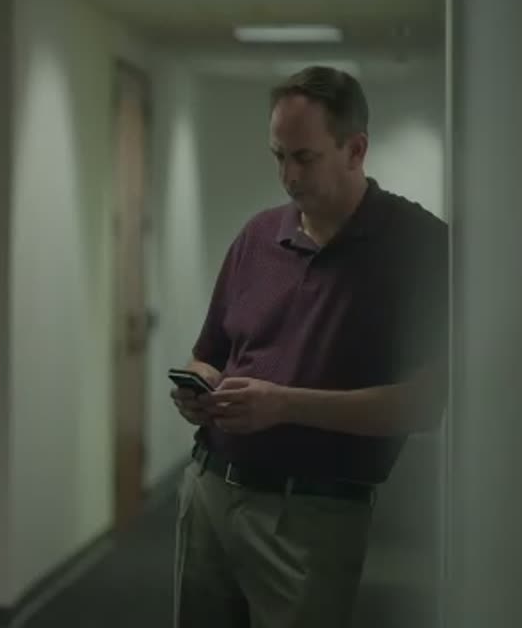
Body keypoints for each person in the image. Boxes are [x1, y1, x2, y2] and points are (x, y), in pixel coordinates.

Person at [169, 65, 449, 628]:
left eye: (304, 158)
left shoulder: (420, 246)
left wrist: (286, 405)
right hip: (209, 493)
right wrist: (200, 389)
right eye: (278, 156)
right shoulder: (257, 236)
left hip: (313, 514)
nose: (288, 176)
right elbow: (209, 354)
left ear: (356, 150)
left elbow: (425, 404)